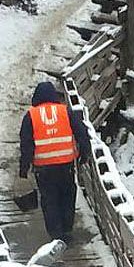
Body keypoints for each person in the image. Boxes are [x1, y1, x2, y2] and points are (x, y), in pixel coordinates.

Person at [19, 81, 91, 244]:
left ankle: (55, 235)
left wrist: (24, 167)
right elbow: (82, 132)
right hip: (66, 165)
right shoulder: (65, 111)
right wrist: (84, 154)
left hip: (43, 168)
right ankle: (67, 230)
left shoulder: (31, 116)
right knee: (67, 196)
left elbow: (26, 144)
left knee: (49, 200)